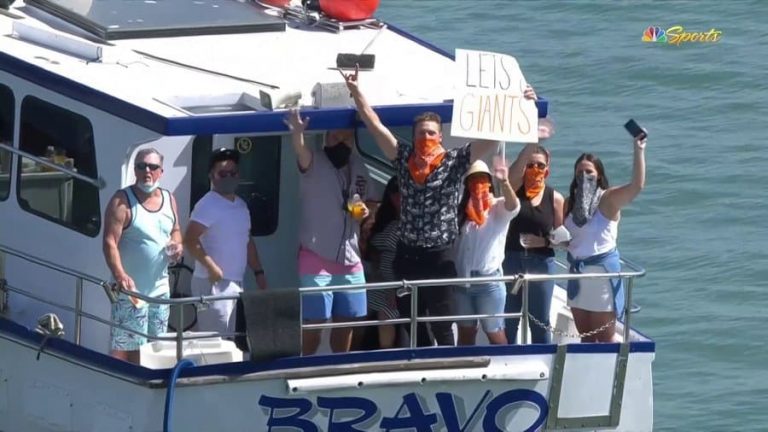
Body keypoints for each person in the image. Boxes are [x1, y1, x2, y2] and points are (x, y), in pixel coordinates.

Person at [341, 65, 538, 346]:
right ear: (413, 136)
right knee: (413, 318)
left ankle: (447, 365)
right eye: (421, 133)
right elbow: (375, 125)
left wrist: (519, 104)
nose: (426, 139)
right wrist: (356, 92)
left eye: (432, 133)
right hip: (407, 255)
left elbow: (491, 139)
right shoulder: (402, 157)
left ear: (440, 137)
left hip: (440, 256)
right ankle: (420, 362)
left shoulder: (454, 162)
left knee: (443, 321)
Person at [284, 110, 370, 355]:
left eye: (346, 138)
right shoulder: (313, 161)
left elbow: (367, 202)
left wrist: (364, 212)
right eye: (335, 137)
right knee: (315, 321)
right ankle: (304, 365)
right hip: (315, 257)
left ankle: (338, 366)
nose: (340, 142)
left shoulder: (360, 167)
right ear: (326, 138)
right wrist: (298, 133)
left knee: (347, 320)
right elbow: (300, 151)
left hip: (351, 259)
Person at [564, 133, 646, 342]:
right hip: (577, 276)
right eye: (580, 172)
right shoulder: (569, 203)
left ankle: (610, 374)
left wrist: (638, 150)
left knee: (604, 339)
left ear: (599, 175)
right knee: (585, 337)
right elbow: (571, 240)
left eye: (589, 172)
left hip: (601, 279)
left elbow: (636, 186)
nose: (584, 175)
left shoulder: (608, 199)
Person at [103, 148, 182, 363]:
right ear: (135, 171)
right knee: (127, 349)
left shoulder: (169, 199)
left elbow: (176, 229)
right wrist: (121, 276)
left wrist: (178, 245)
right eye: (141, 166)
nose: (147, 171)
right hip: (131, 291)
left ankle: (148, 387)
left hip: (160, 290)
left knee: (154, 348)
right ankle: (121, 387)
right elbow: (109, 242)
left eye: (153, 167)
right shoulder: (121, 201)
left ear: (161, 172)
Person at [184, 148, 268, 336]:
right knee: (214, 339)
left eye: (233, 173)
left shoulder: (241, 205)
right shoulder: (207, 204)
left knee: (231, 338)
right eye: (223, 173)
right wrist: (211, 267)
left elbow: (247, 241)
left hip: (236, 282)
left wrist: (259, 271)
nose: (229, 177)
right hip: (211, 283)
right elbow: (190, 239)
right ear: (211, 176)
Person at [453, 160, 520, 345]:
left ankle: (505, 368)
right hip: (462, 282)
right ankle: (465, 370)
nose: (478, 183)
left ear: (489, 182)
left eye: (482, 178)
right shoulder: (460, 211)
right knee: (466, 332)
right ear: (467, 184)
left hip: (489, 283)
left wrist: (505, 182)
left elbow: (514, 206)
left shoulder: (498, 207)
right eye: (473, 179)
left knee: (495, 332)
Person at [503, 142, 564, 344]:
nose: (535, 170)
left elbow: (562, 239)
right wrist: (532, 142)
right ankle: (507, 361)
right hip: (511, 261)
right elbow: (510, 177)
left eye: (540, 166)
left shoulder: (555, 198)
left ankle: (542, 360)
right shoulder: (515, 191)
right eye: (530, 165)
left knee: (539, 321)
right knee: (509, 319)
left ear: (547, 170)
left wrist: (543, 241)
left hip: (541, 264)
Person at [365, 176, 401, 349]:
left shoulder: (411, 223)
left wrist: (394, 287)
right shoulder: (383, 217)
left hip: (398, 282)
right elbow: (372, 247)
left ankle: (386, 352)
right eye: (395, 192)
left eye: (402, 192)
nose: (398, 197)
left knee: (386, 312)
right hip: (378, 279)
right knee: (361, 308)